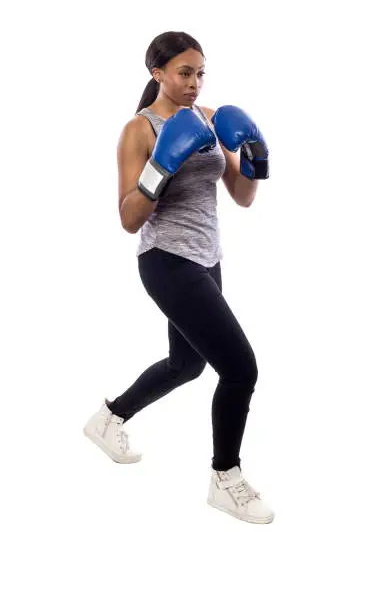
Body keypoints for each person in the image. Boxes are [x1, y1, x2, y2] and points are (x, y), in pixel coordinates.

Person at [83, 31, 274, 525]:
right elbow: (128, 219)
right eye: (185, 73)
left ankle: (110, 417)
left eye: (200, 73)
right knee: (240, 369)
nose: (194, 83)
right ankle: (225, 477)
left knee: (187, 365)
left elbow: (243, 196)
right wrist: (162, 164)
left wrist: (257, 154)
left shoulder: (209, 121)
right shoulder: (139, 130)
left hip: (208, 259)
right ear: (158, 74)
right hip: (166, 261)